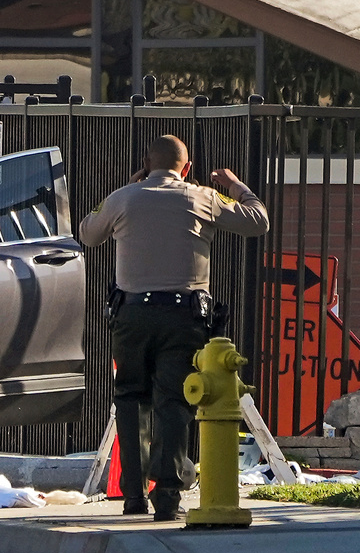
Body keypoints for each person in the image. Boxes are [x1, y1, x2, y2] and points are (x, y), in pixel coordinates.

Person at [78, 135, 269, 521]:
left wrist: (131, 188)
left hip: (131, 316)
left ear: (146, 164)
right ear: (187, 166)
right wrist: (234, 185)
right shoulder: (201, 197)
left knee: (130, 399)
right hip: (182, 317)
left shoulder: (123, 198)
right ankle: (166, 494)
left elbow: (87, 233)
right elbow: (258, 221)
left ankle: (131, 493)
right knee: (174, 401)